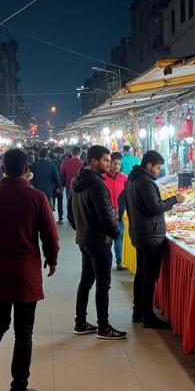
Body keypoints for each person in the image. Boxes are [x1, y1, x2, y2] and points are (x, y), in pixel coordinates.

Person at [0, 148, 59, 391]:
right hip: (26, 272)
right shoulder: (37, 197)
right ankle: (18, 390)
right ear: (26, 167)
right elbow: (50, 234)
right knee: (24, 331)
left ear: (2, 167)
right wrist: (51, 259)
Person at [67, 145, 127, 339]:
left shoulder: (77, 182)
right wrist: (115, 232)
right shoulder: (97, 184)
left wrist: (81, 229)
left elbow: (70, 214)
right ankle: (103, 327)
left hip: (84, 239)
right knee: (103, 283)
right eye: (106, 161)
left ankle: (80, 322)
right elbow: (106, 214)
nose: (109, 164)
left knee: (86, 281)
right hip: (99, 240)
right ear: (94, 161)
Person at [125, 150, 184, 327]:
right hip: (150, 235)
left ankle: (138, 311)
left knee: (142, 274)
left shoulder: (132, 179)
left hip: (139, 231)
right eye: (158, 167)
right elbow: (155, 208)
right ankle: (148, 316)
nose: (159, 171)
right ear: (149, 165)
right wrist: (174, 199)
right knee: (149, 276)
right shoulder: (145, 182)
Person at [103, 152, 128, 270]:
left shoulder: (124, 178)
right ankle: (106, 261)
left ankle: (119, 261)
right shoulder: (102, 177)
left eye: (118, 164)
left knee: (119, 236)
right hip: (106, 211)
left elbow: (127, 195)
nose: (115, 166)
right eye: (113, 163)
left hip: (120, 211)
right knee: (107, 238)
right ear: (109, 163)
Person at [51, 148, 65, 223]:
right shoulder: (61, 162)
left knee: (53, 201)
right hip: (59, 184)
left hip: (54, 185)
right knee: (59, 201)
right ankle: (60, 217)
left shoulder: (51, 162)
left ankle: (56, 217)